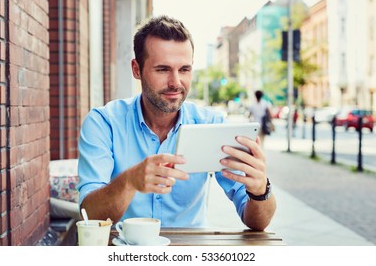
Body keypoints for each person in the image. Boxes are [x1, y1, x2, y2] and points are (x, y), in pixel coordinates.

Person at [77, 15, 276, 230]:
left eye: (184, 69)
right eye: (162, 69)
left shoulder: (211, 125)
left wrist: (260, 191)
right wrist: (130, 181)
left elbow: (258, 223)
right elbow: (89, 217)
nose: (175, 83)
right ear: (136, 69)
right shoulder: (104, 123)